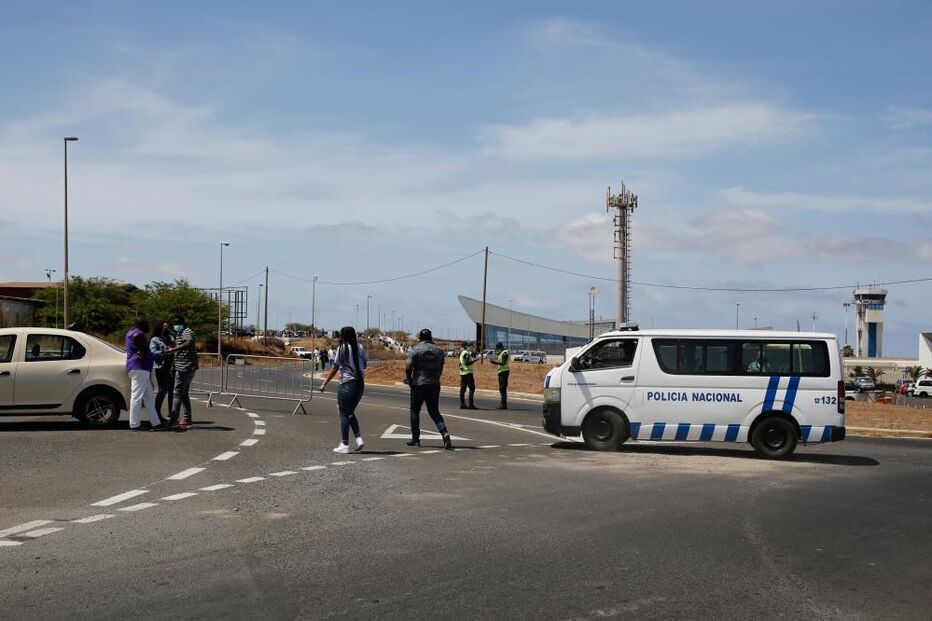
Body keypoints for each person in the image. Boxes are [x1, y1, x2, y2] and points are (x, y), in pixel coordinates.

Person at [319, 326, 367, 454]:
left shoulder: (343, 348)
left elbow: (335, 367)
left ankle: (345, 444)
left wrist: (324, 383)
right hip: (360, 384)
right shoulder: (360, 347)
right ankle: (358, 438)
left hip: (347, 383)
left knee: (344, 413)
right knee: (350, 412)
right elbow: (365, 364)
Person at [405, 329, 453, 449]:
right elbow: (441, 367)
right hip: (434, 384)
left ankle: (415, 439)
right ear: (431, 337)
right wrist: (436, 377)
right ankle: (444, 433)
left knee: (415, 410)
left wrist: (409, 379)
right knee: (434, 411)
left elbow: (408, 366)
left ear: (420, 338)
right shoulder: (439, 350)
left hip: (419, 384)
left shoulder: (415, 349)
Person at [125, 316, 170, 431]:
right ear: (141, 325)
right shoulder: (137, 333)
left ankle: (156, 423)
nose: (148, 327)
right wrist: (142, 350)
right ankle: (134, 424)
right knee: (136, 396)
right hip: (140, 367)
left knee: (149, 397)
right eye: (146, 325)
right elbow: (137, 338)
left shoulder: (131, 331)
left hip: (140, 368)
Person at [166, 314, 198, 428]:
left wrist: (173, 349)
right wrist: (173, 366)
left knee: (177, 393)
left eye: (178, 323)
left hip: (186, 366)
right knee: (183, 394)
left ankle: (174, 419)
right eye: (174, 323)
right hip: (183, 366)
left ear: (183, 323)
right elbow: (178, 353)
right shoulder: (180, 333)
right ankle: (187, 418)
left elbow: (188, 342)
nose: (176, 325)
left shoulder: (187, 332)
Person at [149, 322, 174, 420]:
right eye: (164, 327)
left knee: (169, 390)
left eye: (167, 327)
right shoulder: (155, 339)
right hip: (161, 366)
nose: (166, 328)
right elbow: (153, 352)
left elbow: (175, 347)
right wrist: (164, 351)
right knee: (162, 390)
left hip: (170, 366)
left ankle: (170, 414)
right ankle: (156, 413)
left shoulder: (169, 338)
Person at [489, 341, 510, 410]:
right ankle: (503, 404)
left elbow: (503, 363)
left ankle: (503, 405)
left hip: (504, 372)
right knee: (501, 388)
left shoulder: (504, 353)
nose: (497, 349)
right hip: (501, 372)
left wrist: (494, 362)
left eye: (497, 347)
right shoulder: (502, 353)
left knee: (502, 388)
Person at [458, 341, 478, 410]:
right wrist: (475, 360)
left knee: (463, 389)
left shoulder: (462, 353)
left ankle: (462, 404)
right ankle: (471, 404)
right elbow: (467, 363)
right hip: (468, 373)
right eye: (469, 346)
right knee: (472, 388)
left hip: (463, 373)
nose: (470, 347)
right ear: (466, 346)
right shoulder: (466, 353)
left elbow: (460, 364)